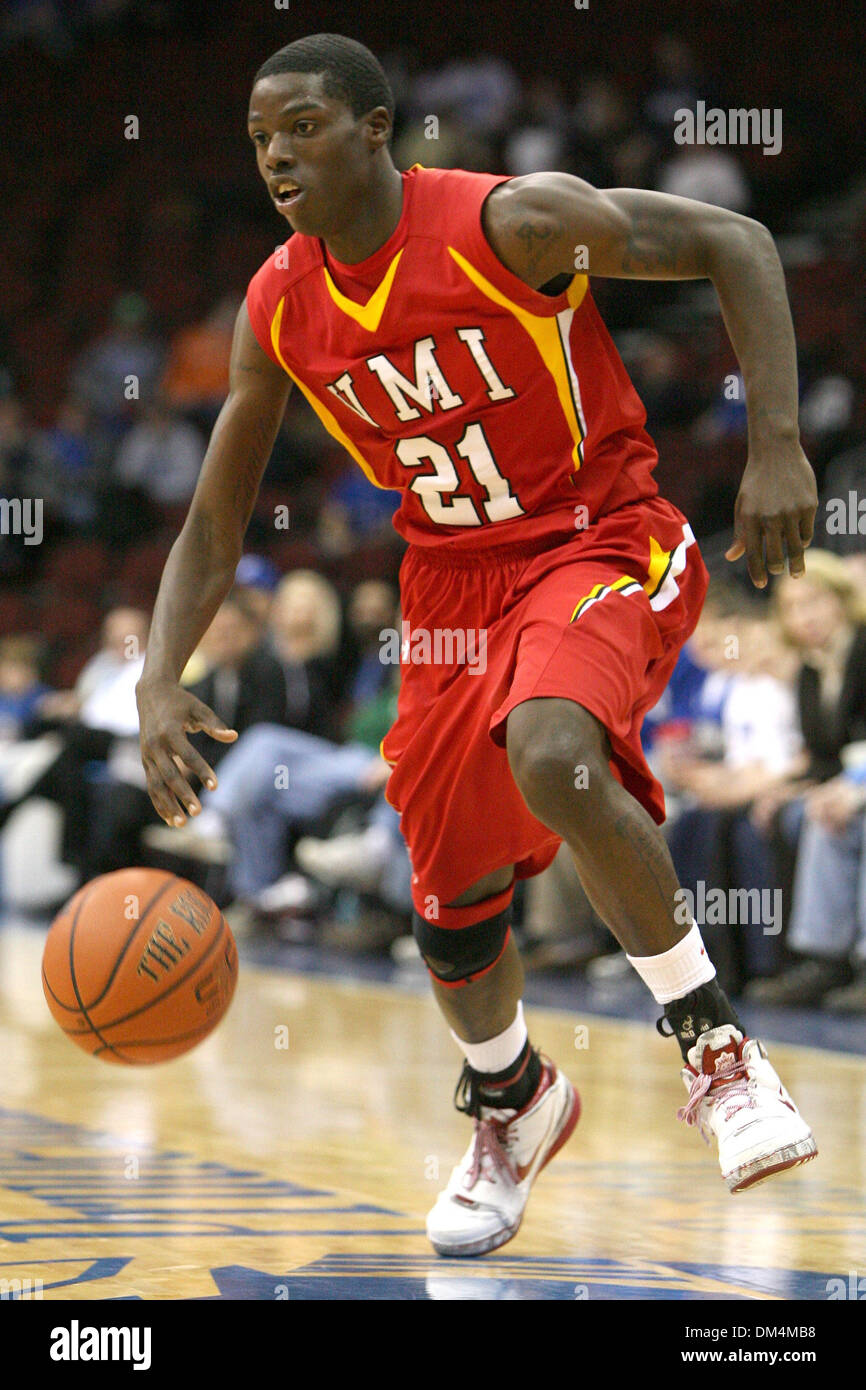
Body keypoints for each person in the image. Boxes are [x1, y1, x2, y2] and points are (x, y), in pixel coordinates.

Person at [135, 34, 819, 1259]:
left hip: (594, 536)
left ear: (374, 127)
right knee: (446, 906)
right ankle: (512, 1103)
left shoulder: (508, 223)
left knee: (552, 754)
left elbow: (738, 242)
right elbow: (216, 513)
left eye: (299, 127)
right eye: (256, 139)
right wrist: (154, 678)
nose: (275, 156)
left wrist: (774, 442)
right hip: (450, 588)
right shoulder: (279, 303)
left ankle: (716, 1049)